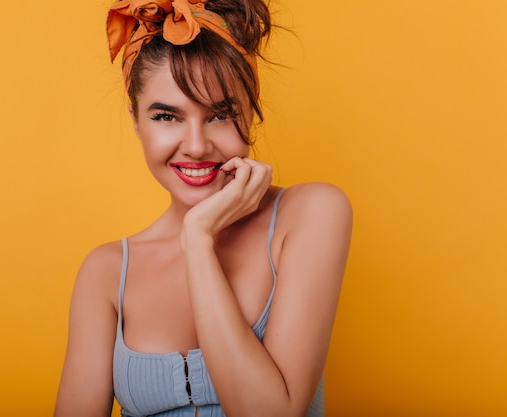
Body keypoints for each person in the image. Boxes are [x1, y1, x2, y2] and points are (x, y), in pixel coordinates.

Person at [55, 0, 352, 415]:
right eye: (166, 117)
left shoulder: (310, 214)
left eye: (220, 115)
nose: (195, 146)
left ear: (251, 114)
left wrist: (197, 239)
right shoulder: (105, 272)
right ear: (136, 121)